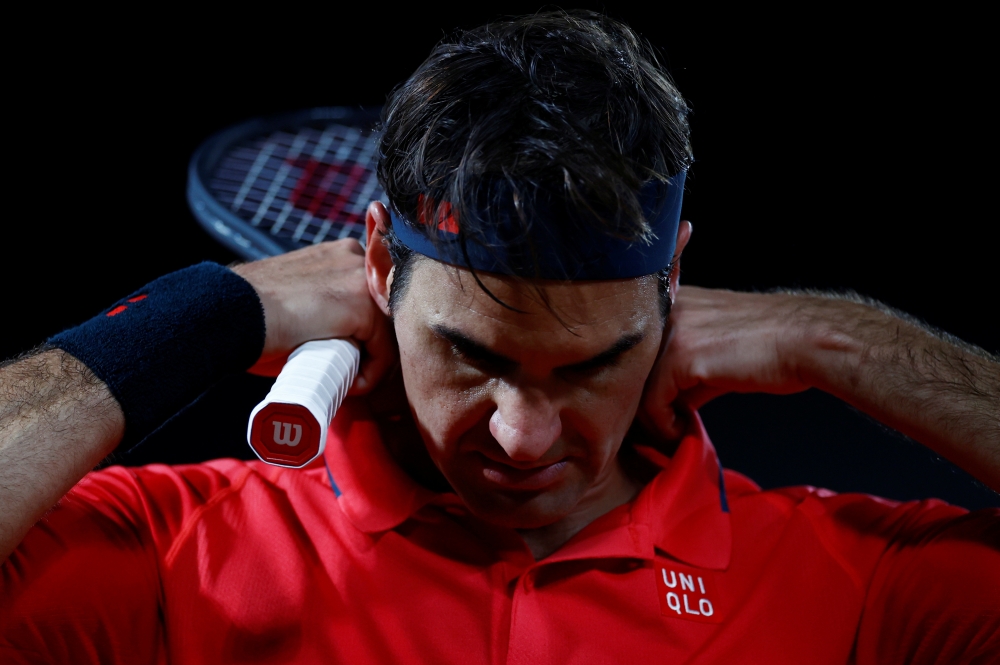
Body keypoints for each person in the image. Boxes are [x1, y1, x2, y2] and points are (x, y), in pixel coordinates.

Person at [2, 10, 998, 664]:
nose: (522, 438)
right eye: (472, 356)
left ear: (673, 281)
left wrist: (846, 340)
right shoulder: (177, 549)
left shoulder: (854, 578)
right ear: (380, 266)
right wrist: (208, 312)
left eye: (590, 365)